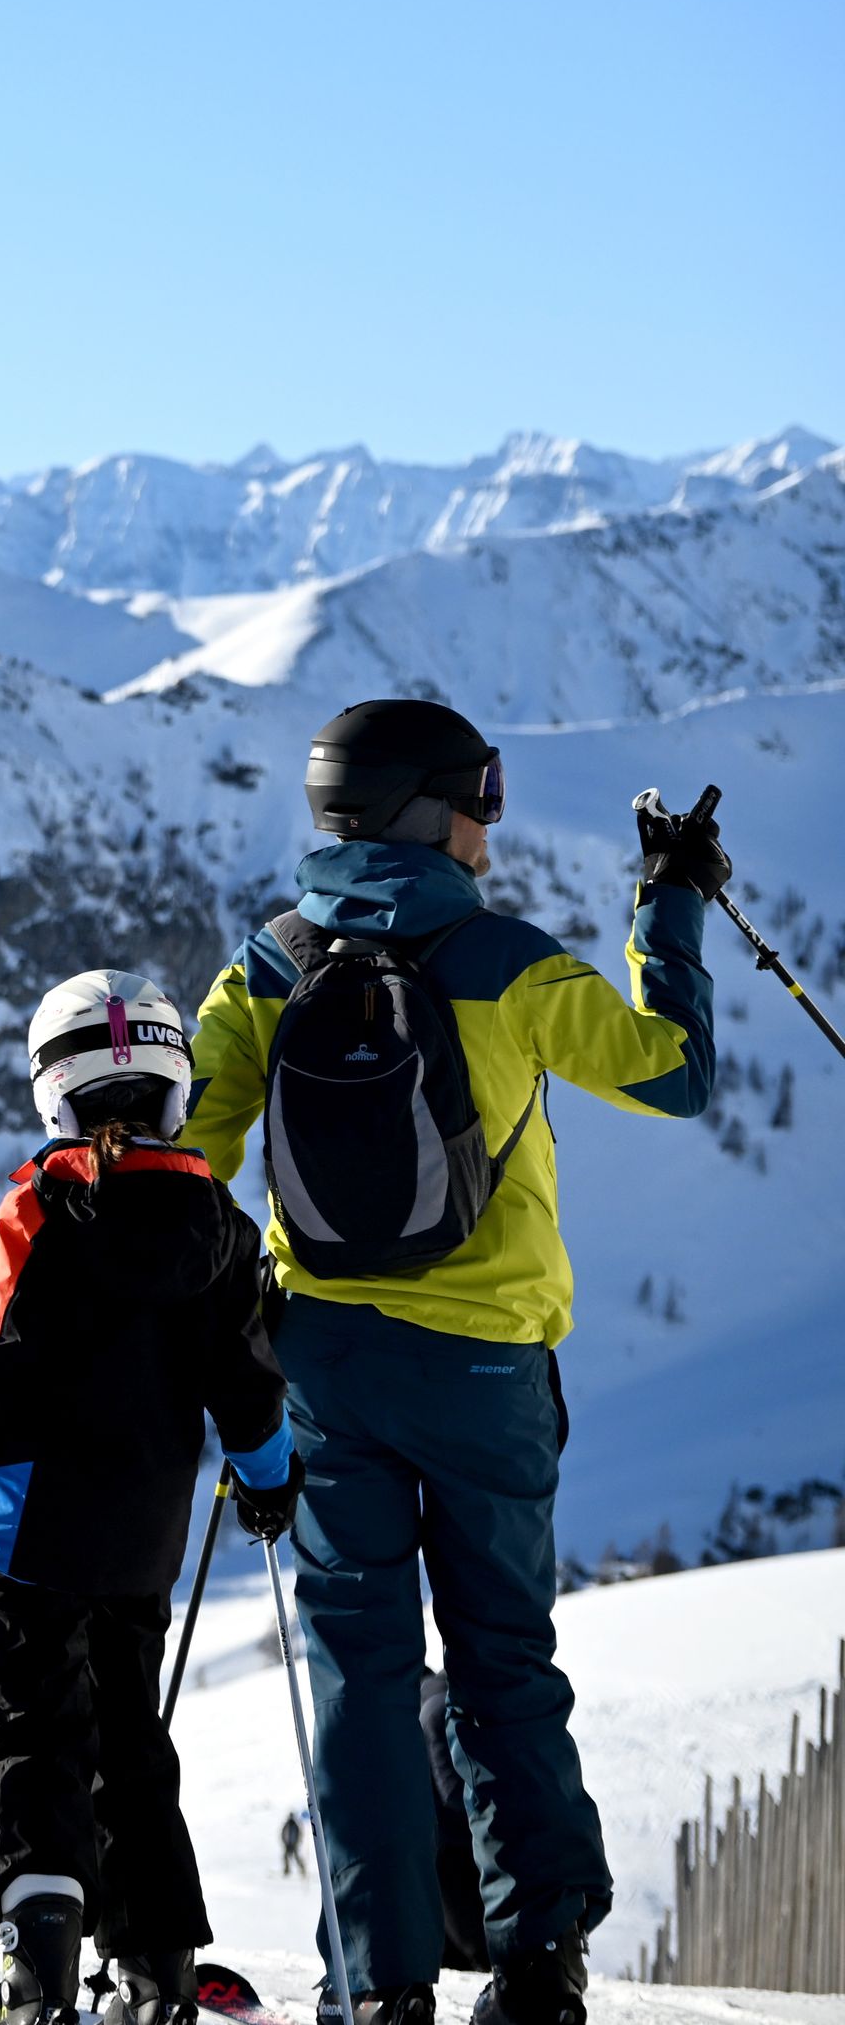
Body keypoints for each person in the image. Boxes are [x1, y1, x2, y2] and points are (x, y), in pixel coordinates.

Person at [182, 699, 719, 2025]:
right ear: (432, 807)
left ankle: (379, 1983)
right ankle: (539, 1964)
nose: (489, 820)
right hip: (485, 1370)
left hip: (323, 1363)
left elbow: (193, 1156)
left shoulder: (267, 960)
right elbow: (674, 1072)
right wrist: (671, 911)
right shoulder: (503, 958)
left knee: (359, 1671)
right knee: (500, 1660)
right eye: (481, 793)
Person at [0, 969, 292, 2025]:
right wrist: (268, 1485)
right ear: (173, 1083)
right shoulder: (219, 1222)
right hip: (144, 1538)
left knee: (38, 1734)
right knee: (132, 1744)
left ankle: (36, 1972)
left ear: (54, 1090)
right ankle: (157, 1969)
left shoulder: (42, 1203)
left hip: (31, 1527)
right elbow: (250, 1388)